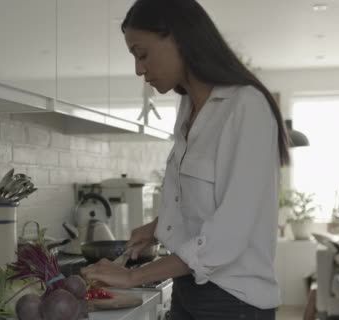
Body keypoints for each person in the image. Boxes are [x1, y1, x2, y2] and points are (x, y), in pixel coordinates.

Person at [80, 0, 290, 319]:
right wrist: (155, 227)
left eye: (142, 54)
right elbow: (197, 203)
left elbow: (228, 235)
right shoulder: (188, 110)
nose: (139, 69)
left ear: (177, 38)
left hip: (234, 301)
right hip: (188, 288)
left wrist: (134, 276)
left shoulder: (246, 106)